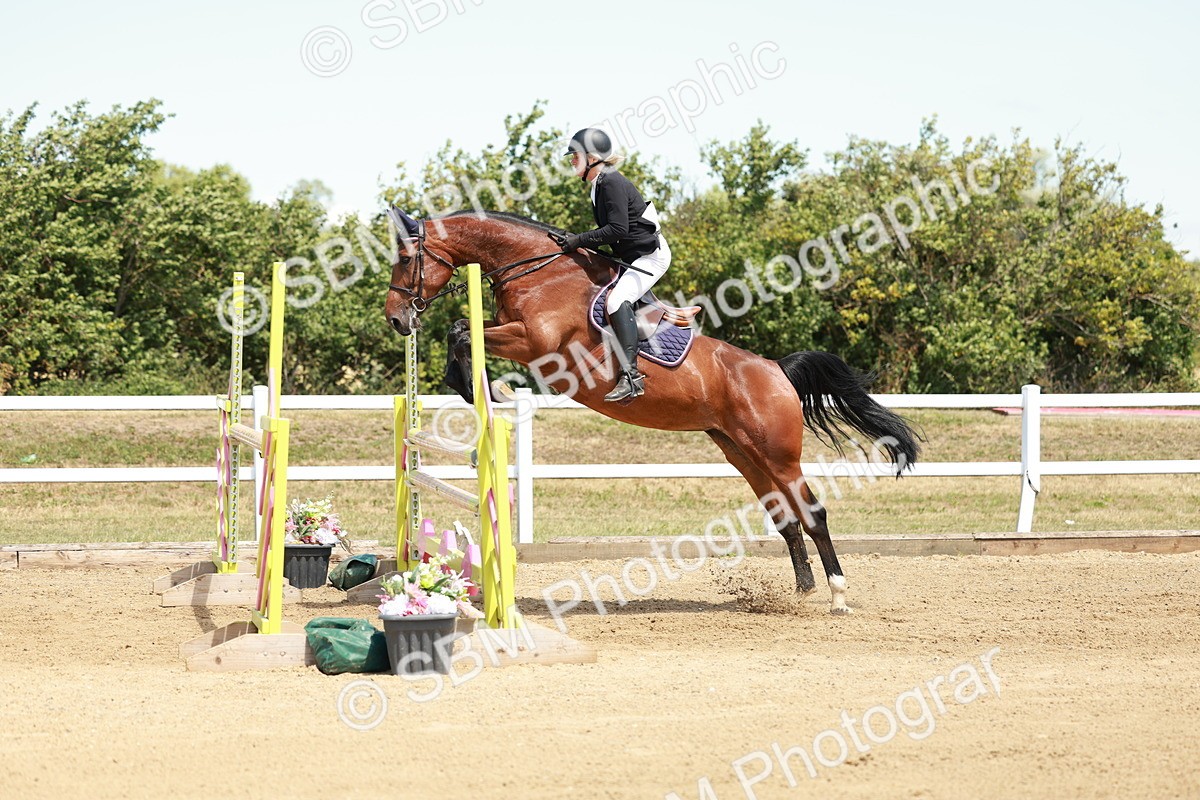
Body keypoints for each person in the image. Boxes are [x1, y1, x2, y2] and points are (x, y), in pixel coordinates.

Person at [560, 128, 671, 402]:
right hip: (632, 255)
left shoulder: (610, 182)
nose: (572, 161)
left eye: (575, 156)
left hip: (650, 257)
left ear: (592, 157)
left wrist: (580, 240)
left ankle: (631, 377)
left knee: (615, 301)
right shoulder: (598, 186)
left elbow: (618, 229)